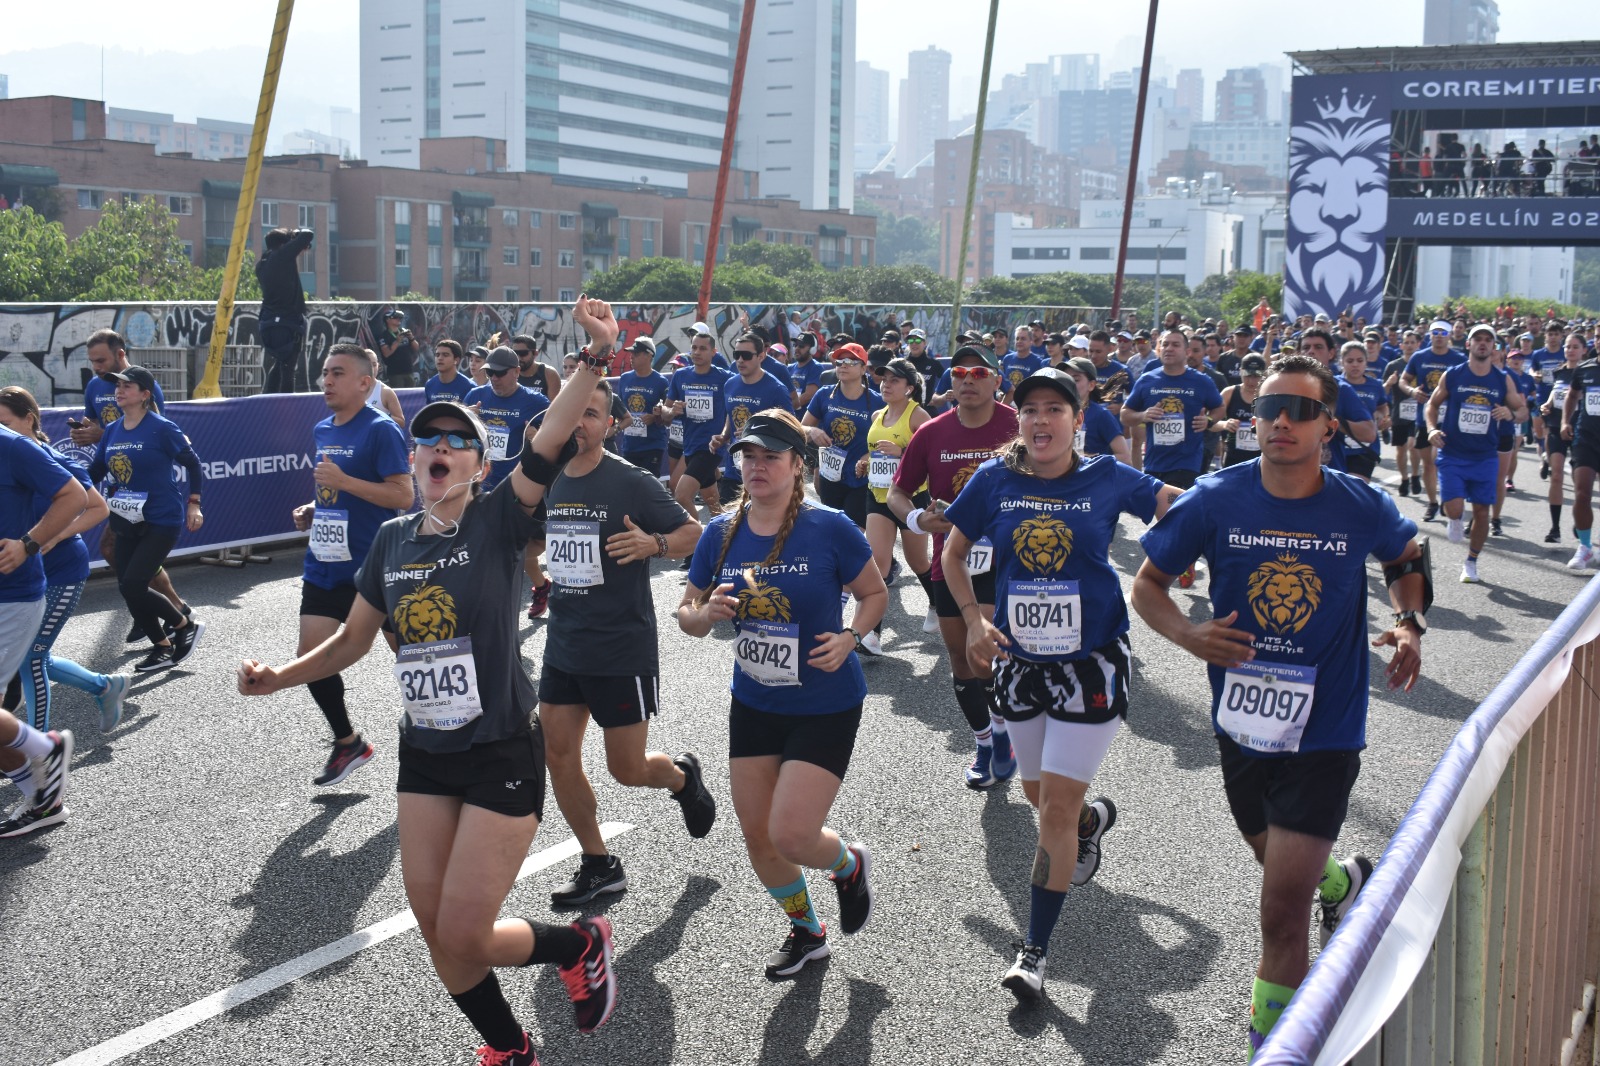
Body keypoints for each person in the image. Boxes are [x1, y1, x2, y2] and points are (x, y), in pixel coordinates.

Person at [236, 297, 624, 1065]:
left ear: (479, 466)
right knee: (433, 924)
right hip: (427, 753)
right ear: (414, 461)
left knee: (468, 931)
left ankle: (578, 943)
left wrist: (596, 356)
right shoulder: (389, 541)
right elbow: (351, 642)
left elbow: (548, 440)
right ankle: (510, 1049)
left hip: (500, 750)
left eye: (457, 441)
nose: (437, 447)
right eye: (426, 441)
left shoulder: (498, 521)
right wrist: (278, 678)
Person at [1131, 353, 1428, 1056]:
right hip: (1242, 722)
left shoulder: (1358, 504)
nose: (1281, 423)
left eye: (1298, 411)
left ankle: (1274, 1045)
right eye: (1269, 410)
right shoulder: (1214, 497)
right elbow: (1148, 584)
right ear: (1252, 419)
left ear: (1329, 425)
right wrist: (1187, 633)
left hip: (1327, 727)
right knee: (1275, 861)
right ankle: (1342, 879)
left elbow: (1407, 560)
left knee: (1280, 912)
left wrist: (1411, 622)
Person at [943, 366, 1181, 1001]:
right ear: (1017, 421)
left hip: (1091, 665)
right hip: (1020, 664)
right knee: (1035, 794)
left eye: (1055, 409)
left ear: (1078, 420)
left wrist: (1200, 543)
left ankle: (1034, 950)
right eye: (1030, 410)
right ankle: (1086, 823)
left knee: (1051, 807)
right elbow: (952, 553)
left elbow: (1177, 506)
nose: (1040, 420)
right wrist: (972, 620)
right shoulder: (995, 480)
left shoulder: (1106, 476)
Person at [676, 409, 887, 981]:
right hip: (755, 701)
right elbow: (685, 614)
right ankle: (807, 931)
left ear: (798, 465)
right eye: (748, 456)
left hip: (825, 702)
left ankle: (846, 864)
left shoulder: (830, 527)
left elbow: (874, 594)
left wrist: (851, 638)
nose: (757, 466)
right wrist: (705, 614)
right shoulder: (721, 532)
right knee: (757, 834)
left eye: (771, 456)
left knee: (791, 833)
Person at [539, 374, 711, 908]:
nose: (579, 422)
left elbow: (694, 534)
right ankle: (599, 862)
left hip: (619, 645)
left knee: (627, 769)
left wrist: (653, 543)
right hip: (565, 640)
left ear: (610, 425)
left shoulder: (630, 480)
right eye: (573, 412)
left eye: (592, 413)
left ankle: (682, 778)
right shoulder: (549, 476)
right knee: (558, 753)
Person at [888, 344, 1020, 788]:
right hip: (953, 558)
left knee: (980, 654)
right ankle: (986, 742)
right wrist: (917, 518)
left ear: (996, 380)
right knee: (960, 662)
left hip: (1007, 559)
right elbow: (898, 492)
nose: (967, 379)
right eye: (959, 371)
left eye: (979, 372)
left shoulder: (1017, 426)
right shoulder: (933, 432)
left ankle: (1003, 733)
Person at [291, 345, 415, 786]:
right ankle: (348, 742)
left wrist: (343, 483)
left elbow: (402, 496)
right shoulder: (323, 427)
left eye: (337, 373)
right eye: (324, 372)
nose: (326, 380)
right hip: (325, 563)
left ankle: (442, 731)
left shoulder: (381, 430)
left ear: (365, 383)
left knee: (414, 659)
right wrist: (315, 506)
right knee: (310, 657)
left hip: (375, 566)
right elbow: (338, 491)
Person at [0, 388, 126, 741]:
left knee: (33, 657)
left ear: (29, 419)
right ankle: (104, 687)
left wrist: (49, 538)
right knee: (38, 655)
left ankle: (38, 745)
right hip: (26, 574)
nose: (1, 430)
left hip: (63, 572)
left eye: (5, 422)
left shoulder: (51, 458)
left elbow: (97, 507)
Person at [68, 329, 188, 644]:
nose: (96, 367)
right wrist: (86, 432)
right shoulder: (95, 385)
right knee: (122, 555)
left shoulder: (147, 387)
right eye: (92, 361)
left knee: (121, 555)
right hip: (119, 487)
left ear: (120, 355)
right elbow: (94, 425)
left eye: (102, 360)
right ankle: (160, 608)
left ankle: (161, 611)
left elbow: (153, 431)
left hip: (148, 492)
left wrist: (196, 501)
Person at [88, 366, 207, 673]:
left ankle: (182, 625)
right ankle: (163, 647)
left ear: (145, 395)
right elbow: (97, 471)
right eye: (118, 385)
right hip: (125, 519)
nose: (120, 389)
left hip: (160, 518)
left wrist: (194, 504)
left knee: (134, 585)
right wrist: (66, 483)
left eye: (128, 385)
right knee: (128, 587)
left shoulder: (162, 428)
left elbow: (193, 465)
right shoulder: (113, 430)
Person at [0, 419, 85, 838]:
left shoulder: (11, 447)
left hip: (11, 598)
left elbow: (76, 496)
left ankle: (47, 748)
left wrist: (28, 544)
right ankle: (42, 798)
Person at [1423, 324, 1526, 583]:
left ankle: (1471, 562)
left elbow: (1523, 411)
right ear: (1468, 344)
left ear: (1493, 347)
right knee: (1454, 506)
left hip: (1485, 456)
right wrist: (1431, 429)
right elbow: (1431, 405)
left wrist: (1511, 415)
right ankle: (1455, 518)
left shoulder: (1502, 379)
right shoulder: (1454, 374)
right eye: (1477, 339)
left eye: (1487, 340)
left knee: (1482, 512)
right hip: (1453, 452)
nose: (1482, 343)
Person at [465, 347, 554, 620]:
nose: (494, 378)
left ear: (517, 372)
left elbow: (557, 441)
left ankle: (541, 585)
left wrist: (536, 436)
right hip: (483, 487)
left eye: (500, 373)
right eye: (490, 372)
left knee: (532, 547)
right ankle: (498, 618)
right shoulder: (475, 397)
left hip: (522, 488)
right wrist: (464, 421)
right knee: (496, 552)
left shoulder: (536, 402)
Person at [855, 357, 934, 650]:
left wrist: (902, 452)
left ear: (909, 388)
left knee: (918, 562)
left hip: (912, 498)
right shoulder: (878, 414)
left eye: (894, 381)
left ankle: (937, 604)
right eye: (883, 379)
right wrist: (865, 463)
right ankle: (871, 634)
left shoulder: (919, 417)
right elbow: (875, 453)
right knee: (878, 565)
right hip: (878, 497)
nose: (886, 385)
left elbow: (931, 459)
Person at [802, 343, 885, 531]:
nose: (843, 365)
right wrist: (811, 431)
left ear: (864, 368)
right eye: (839, 361)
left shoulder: (878, 401)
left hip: (860, 478)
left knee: (853, 531)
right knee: (831, 529)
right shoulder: (824, 395)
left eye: (850, 361)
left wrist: (871, 456)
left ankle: (882, 560)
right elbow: (800, 427)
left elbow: (892, 440)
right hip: (830, 476)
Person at [714, 332, 797, 510]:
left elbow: (792, 428)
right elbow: (731, 415)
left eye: (746, 355)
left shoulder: (776, 389)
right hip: (734, 467)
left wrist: (756, 429)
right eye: (737, 355)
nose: (740, 360)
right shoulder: (730, 384)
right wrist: (723, 436)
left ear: (761, 356)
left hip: (763, 470)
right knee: (727, 523)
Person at [668, 329, 735, 521]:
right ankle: (727, 536)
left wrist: (725, 434)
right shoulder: (681, 376)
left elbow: (736, 404)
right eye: (694, 348)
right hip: (690, 446)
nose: (697, 352)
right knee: (713, 504)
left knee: (681, 495)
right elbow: (666, 411)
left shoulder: (725, 378)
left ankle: (696, 541)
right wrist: (672, 411)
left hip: (711, 448)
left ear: (713, 352)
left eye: (702, 349)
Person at [256, 226, 315, 394]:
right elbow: (308, 235)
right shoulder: (281, 255)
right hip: (288, 321)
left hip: (268, 322)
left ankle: (268, 399)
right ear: (283, 244)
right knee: (289, 369)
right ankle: (286, 404)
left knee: (280, 363)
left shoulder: (261, 264)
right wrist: (294, 235)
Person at [1559, 331, 1600, 569]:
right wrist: (1566, 421)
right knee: (1582, 494)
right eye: (1597, 336)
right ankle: (1585, 547)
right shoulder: (1584, 368)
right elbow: (1572, 395)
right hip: (1586, 437)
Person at [1543, 333, 1587, 546]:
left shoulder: (1588, 372)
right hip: (1555, 427)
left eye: (1575, 347)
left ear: (1583, 350)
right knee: (1556, 475)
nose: (1570, 350)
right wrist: (1548, 404)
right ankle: (1555, 528)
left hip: (1580, 429)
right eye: (1567, 346)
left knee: (1580, 483)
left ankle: (1579, 521)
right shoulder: (1560, 371)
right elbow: (1556, 392)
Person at [614, 339, 671, 476]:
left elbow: (667, 416)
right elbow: (620, 408)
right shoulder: (625, 378)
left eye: (636, 353)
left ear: (649, 355)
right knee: (629, 487)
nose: (631, 357)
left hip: (652, 445)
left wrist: (655, 417)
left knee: (648, 488)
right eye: (631, 353)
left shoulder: (661, 382)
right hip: (630, 445)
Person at [1336, 341, 1389, 483]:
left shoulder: (1375, 385)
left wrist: (1382, 416)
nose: (1355, 364)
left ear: (1366, 362)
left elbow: (1382, 407)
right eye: (1350, 361)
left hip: (1365, 449)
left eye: (1360, 360)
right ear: (1341, 362)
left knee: (1356, 487)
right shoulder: (1333, 384)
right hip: (1339, 447)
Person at [1063, 357, 1130, 464]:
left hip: (1091, 479)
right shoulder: (1056, 413)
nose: (1070, 384)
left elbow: (1124, 457)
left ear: (1091, 385)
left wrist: (1087, 461)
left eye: (1076, 380)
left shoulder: (1101, 415)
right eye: (1066, 379)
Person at [1382, 331, 1423, 496]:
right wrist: (1389, 382)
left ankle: (1415, 475)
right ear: (1401, 346)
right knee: (1401, 448)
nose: (1409, 345)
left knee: (1413, 446)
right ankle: (1405, 479)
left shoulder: (1422, 364)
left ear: (1418, 344)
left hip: (1419, 412)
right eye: (1406, 342)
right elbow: (1383, 391)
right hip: (1399, 411)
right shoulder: (1393, 366)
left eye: (1412, 342)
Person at [1218, 354, 1268, 467]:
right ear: (1240, 371)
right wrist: (1225, 424)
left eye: (1256, 376)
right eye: (1247, 375)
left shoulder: (1269, 395)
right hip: (1234, 458)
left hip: (1262, 459)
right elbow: (1210, 422)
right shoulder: (1229, 393)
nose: (1251, 381)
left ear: (1264, 374)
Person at [377, 309, 420, 388]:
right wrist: (397, 341)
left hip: (409, 371)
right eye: (395, 317)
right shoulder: (384, 335)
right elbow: (386, 353)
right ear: (387, 320)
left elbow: (416, 348)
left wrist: (411, 338)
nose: (398, 319)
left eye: (400, 318)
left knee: (411, 396)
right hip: (395, 373)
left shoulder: (404, 331)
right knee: (399, 396)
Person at [426, 339, 475, 404]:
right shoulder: (430, 385)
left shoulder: (470, 387)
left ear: (456, 360)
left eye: (445, 355)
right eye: (437, 355)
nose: (440, 358)